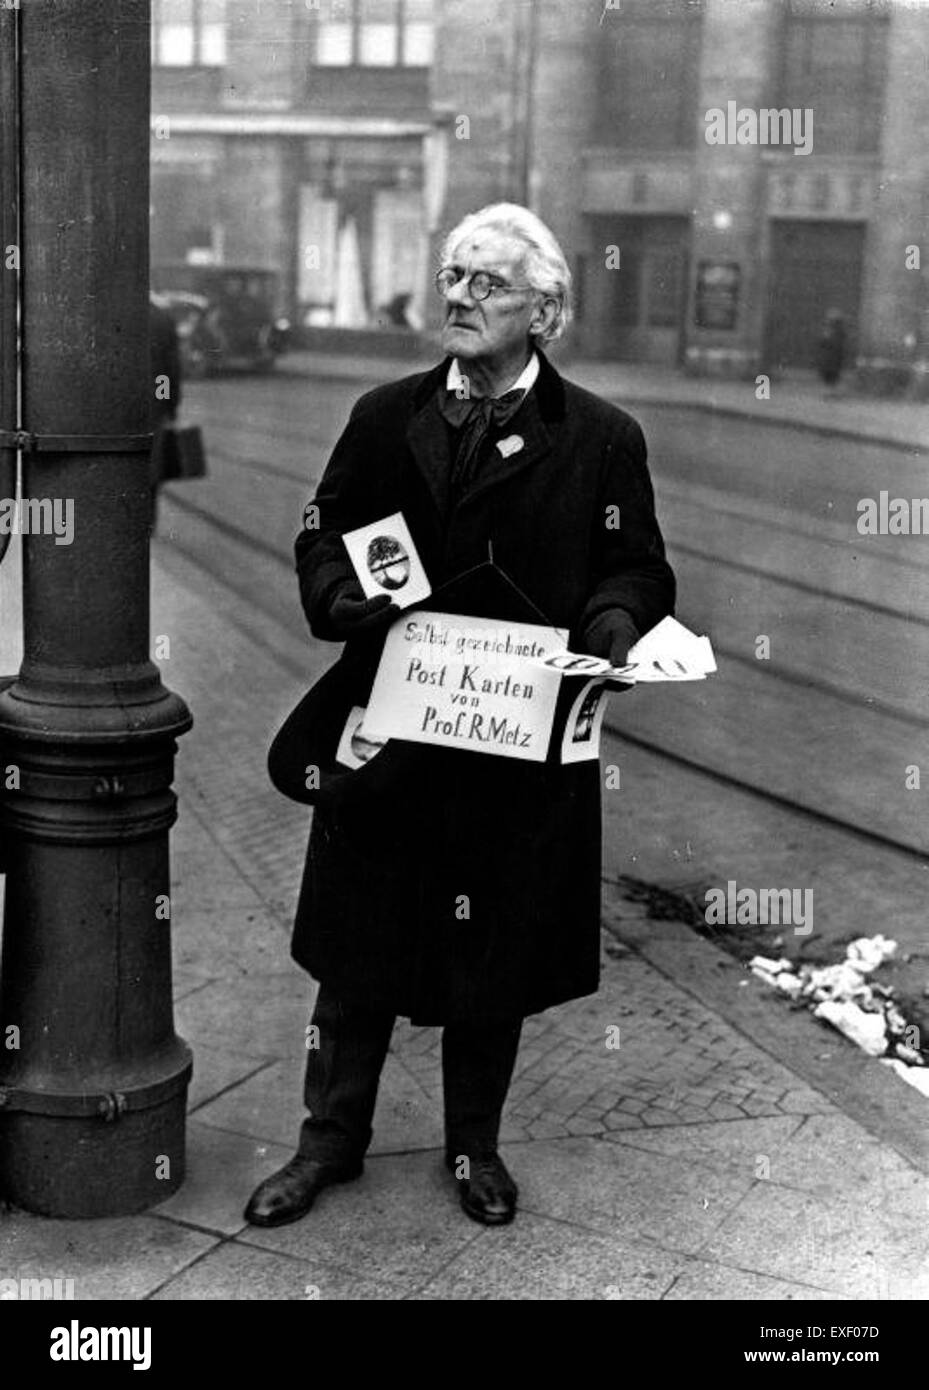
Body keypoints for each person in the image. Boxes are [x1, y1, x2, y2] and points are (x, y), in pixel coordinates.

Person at [244, 203, 676, 1230]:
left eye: (486, 283)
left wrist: (613, 622)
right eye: (451, 275)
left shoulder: (601, 440)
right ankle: (326, 1144)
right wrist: (338, 596)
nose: (458, 297)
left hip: (513, 742)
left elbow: (635, 565)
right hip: (388, 726)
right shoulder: (383, 413)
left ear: (546, 310)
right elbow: (322, 530)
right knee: (355, 952)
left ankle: (473, 1147)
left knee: (492, 959)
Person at [149, 293, 182, 534]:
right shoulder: (161, 318)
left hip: (116, 406)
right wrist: (169, 405)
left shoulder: (110, 310)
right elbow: (170, 370)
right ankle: (147, 523)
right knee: (151, 467)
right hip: (153, 405)